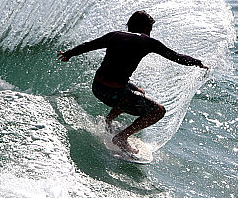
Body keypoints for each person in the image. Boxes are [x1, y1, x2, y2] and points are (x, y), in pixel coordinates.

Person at [57, 11, 208, 154]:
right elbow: (175, 56)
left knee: (138, 92)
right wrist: (197, 63)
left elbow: (89, 45)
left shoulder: (114, 35)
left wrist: (69, 54)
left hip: (97, 87)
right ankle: (121, 138)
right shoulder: (147, 42)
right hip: (114, 93)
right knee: (159, 111)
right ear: (147, 28)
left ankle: (108, 121)